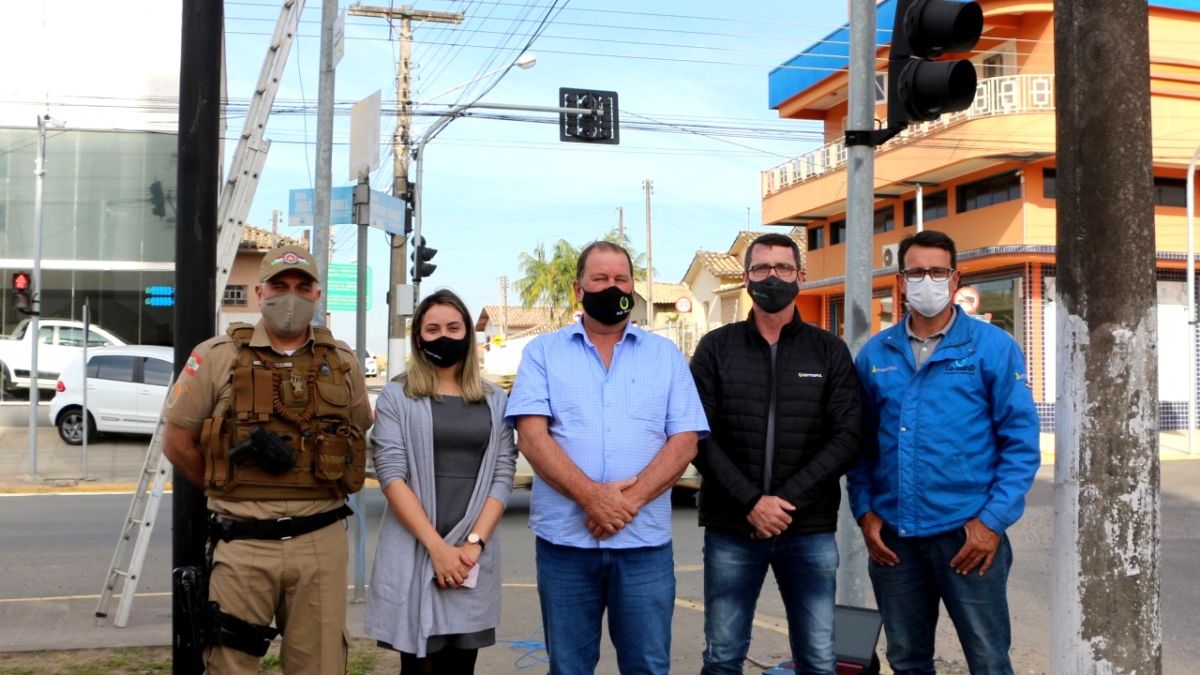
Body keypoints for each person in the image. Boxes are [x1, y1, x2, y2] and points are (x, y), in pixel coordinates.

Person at [162, 244, 372, 675]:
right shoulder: (218, 356)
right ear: (260, 293)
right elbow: (178, 440)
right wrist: (222, 484)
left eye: (302, 286)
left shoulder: (344, 363)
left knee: (321, 666)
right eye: (279, 286)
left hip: (320, 541)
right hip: (243, 545)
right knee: (231, 665)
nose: (290, 296)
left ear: (317, 295)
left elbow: (355, 430)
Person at [505, 240, 710, 674]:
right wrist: (591, 498)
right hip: (565, 544)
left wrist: (625, 504)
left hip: (644, 545)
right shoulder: (543, 353)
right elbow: (532, 437)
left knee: (648, 666)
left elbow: (685, 441)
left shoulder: (665, 356)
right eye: (600, 279)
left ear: (633, 288)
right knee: (569, 667)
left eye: (621, 279)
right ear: (579, 289)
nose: (611, 287)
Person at [847, 230, 1040, 675]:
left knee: (988, 659)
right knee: (907, 659)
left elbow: (1021, 444)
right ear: (900, 281)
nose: (927, 281)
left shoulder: (992, 348)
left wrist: (991, 523)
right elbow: (860, 445)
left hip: (968, 536)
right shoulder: (877, 353)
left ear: (955, 279)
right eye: (916, 272)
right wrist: (865, 512)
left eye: (937, 271)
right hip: (894, 538)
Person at [688, 232, 861, 674]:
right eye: (762, 268)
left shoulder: (829, 351)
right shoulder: (716, 349)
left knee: (819, 659)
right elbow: (696, 435)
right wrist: (751, 502)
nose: (773, 277)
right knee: (723, 656)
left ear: (800, 276)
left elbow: (847, 436)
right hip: (732, 528)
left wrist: (783, 503)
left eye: (783, 268)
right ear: (746, 278)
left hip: (808, 529)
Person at [364, 289, 518, 673]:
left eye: (453, 326)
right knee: (419, 666)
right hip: (416, 551)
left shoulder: (495, 400)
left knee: (461, 667)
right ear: (418, 338)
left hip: (471, 559)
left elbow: (503, 472)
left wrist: (473, 545)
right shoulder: (397, 396)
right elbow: (391, 474)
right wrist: (437, 548)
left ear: (469, 333)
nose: (444, 336)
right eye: (432, 329)